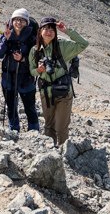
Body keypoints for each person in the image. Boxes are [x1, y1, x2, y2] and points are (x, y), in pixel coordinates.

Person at [29, 17, 88, 146]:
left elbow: (83, 44)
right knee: (48, 125)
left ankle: (63, 152)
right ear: (40, 31)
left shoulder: (63, 46)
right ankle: (50, 152)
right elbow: (31, 71)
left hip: (63, 93)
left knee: (61, 127)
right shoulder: (35, 50)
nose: (48, 31)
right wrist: (38, 70)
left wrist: (66, 30)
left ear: (55, 32)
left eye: (52, 29)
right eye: (45, 28)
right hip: (46, 93)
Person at [0, 8, 39, 133]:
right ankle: (14, 129)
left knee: (29, 106)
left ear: (27, 22)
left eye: (22, 20)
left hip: (26, 78)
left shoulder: (32, 37)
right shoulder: (8, 34)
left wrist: (23, 59)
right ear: (11, 21)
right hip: (8, 77)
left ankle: (34, 130)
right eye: (16, 20)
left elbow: (37, 58)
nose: (18, 23)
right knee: (11, 105)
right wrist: (5, 39)